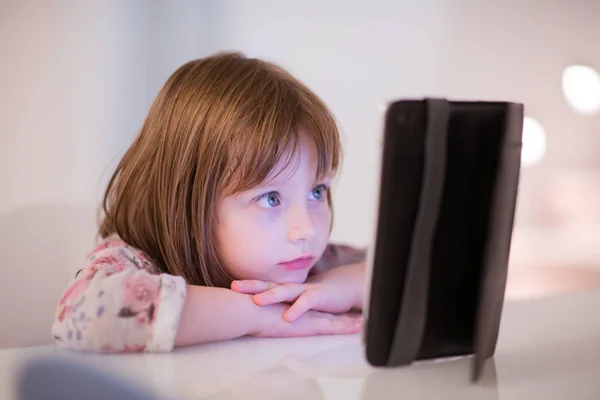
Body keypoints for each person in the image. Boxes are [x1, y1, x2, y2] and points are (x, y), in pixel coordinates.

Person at [51, 52, 367, 353]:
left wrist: (347, 286)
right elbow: (84, 313)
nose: (306, 230)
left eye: (317, 192)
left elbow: (407, 271)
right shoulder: (137, 261)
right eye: (270, 198)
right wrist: (263, 315)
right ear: (187, 202)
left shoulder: (316, 266)